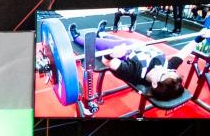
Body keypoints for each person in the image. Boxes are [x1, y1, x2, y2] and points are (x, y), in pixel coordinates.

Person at [68, 24, 208, 101]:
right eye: (172, 71)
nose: (169, 69)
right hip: (137, 44)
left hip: (125, 49)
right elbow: (183, 53)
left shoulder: (133, 71)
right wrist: (198, 38)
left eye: (166, 73)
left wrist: (112, 55)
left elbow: (107, 62)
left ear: (154, 83)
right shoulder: (167, 70)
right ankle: (102, 33)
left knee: (100, 43)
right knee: (112, 38)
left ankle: (77, 37)